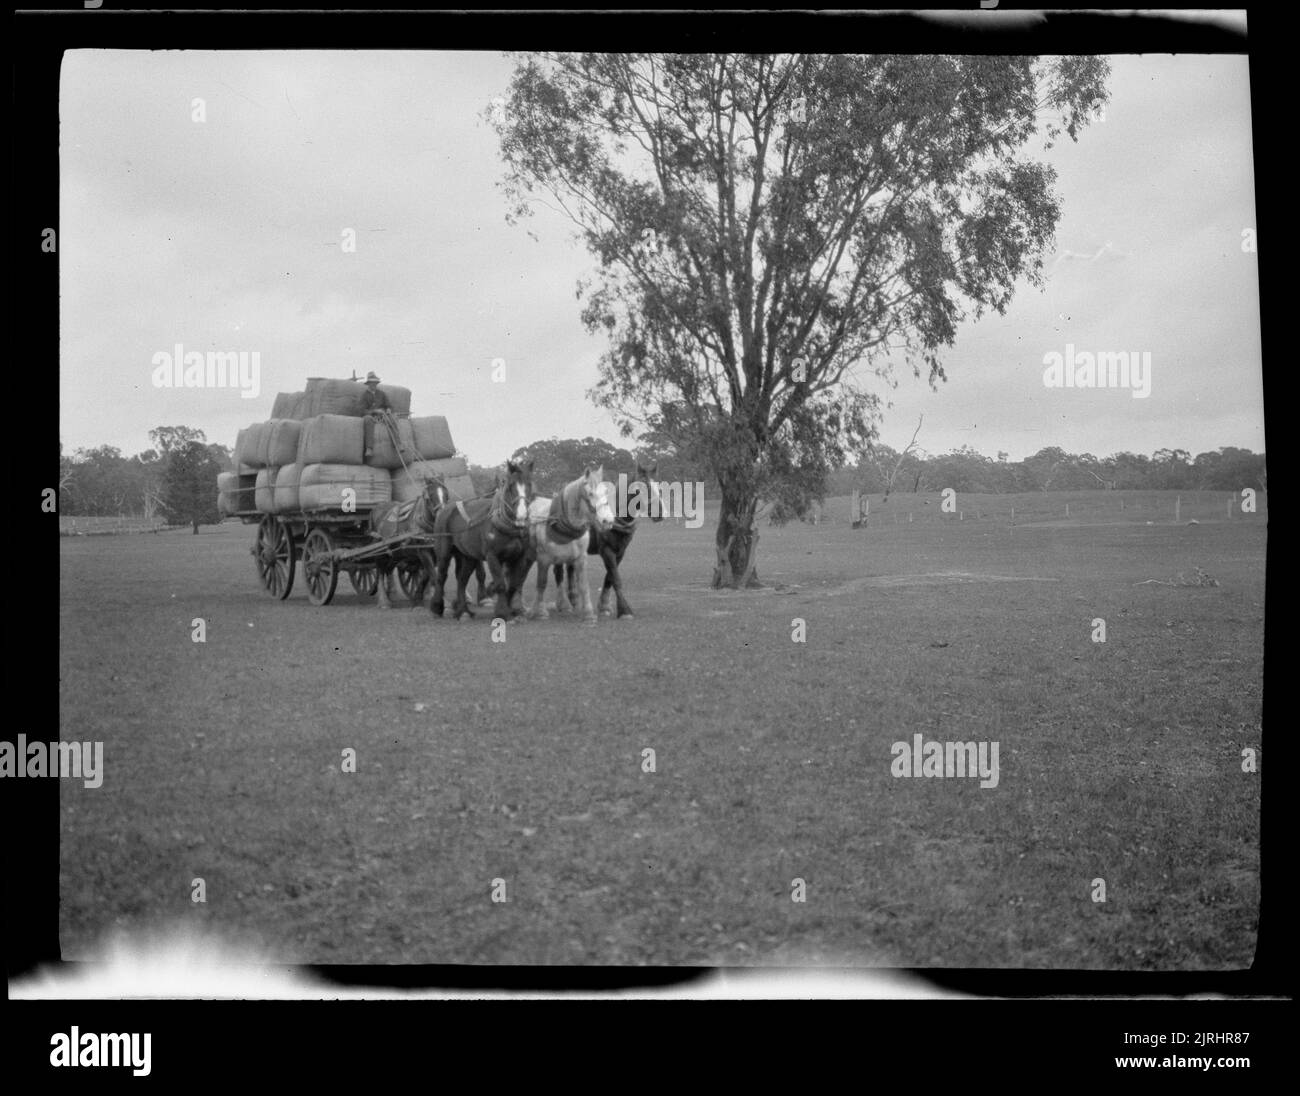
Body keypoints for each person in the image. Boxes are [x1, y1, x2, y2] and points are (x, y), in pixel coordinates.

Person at [360, 372, 392, 459]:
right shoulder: (364, 396)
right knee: (367, 419)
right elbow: (362, 410)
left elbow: (388, 405)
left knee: (393, 418)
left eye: (375, 383)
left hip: (382, 416)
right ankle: (369, 448)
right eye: (371, 383)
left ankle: (398, 444)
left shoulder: (382, 394)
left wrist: (388, 410)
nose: (373, 385)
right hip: (370, 416)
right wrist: (374, 411)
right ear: (368, 384)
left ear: (376, 384)